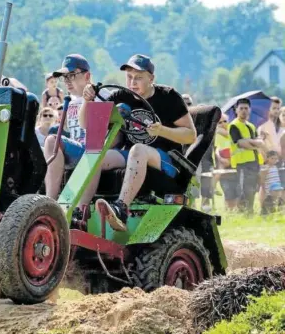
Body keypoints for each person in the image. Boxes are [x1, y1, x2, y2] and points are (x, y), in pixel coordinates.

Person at [82, 54, 197, 231]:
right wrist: (87, 100)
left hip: (166, 161)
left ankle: (121, 209)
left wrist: (162, 131)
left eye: (138, 78)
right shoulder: (121, 96)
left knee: (138, 150)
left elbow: (190, 135)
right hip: (132, 156)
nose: (132, 82)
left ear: (151, 78)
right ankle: (80, 212)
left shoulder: (168, 97)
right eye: (129, 77)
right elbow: (87, 125)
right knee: (96, 155)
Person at [44, 54, 104, 202]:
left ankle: (53, 204)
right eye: (65, 78)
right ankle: (47, 202)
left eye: (71, 75)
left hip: (95, 151)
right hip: (76, 152)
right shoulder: (70, 103)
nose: (67, 82)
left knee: (53, 141)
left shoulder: (102, 95)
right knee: (45, 144)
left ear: (87, 76)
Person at [228, 98, 265, 214]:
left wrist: (253, 142)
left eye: (246, 108)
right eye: (241, 108)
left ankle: (250, 211)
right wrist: (255, 144)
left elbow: (258, 142)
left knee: (253, 189)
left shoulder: (251, 126)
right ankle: (244, 213)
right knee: (244, 189)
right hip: (242, 163)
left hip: (254, 161)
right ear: (236, 110)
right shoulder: (233, 125)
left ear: (250, 109)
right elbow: (241, 143)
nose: (244, 111)